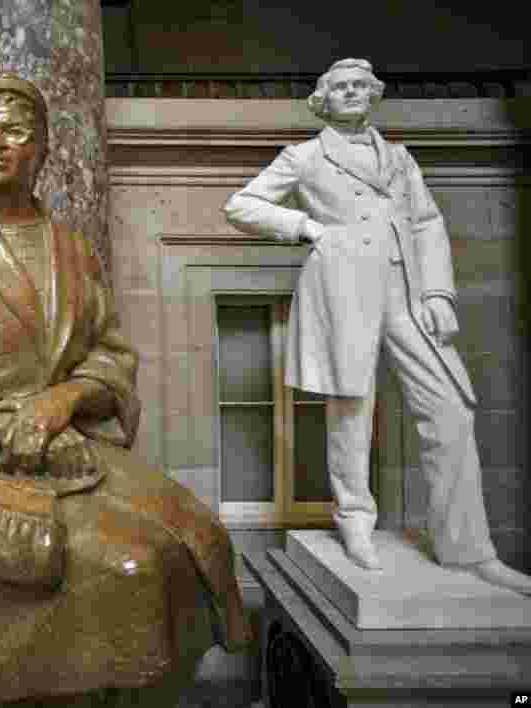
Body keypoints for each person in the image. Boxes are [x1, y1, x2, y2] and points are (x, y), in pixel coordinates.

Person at [0, 75, 253, 707]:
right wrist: (18, 429)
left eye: (15, 131)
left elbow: (110, 353)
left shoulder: (73, 250)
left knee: (202, 539)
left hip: (75, 447)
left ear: (44, 148)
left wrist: (64, 401)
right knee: (131, 568)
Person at [224, 58, 531, 593]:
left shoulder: (398, 157)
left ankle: (468, 548)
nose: (351, 92)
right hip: (344, 291)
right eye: (340, 86)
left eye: (360, 86)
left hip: (407, 293)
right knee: (350, 410)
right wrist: (309, 228)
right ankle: (355, 522)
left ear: (373, 94)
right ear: (324, 99)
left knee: (450, 408)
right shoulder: (305, 156)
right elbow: (242, 205)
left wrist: (438, 292)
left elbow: (428, 222)